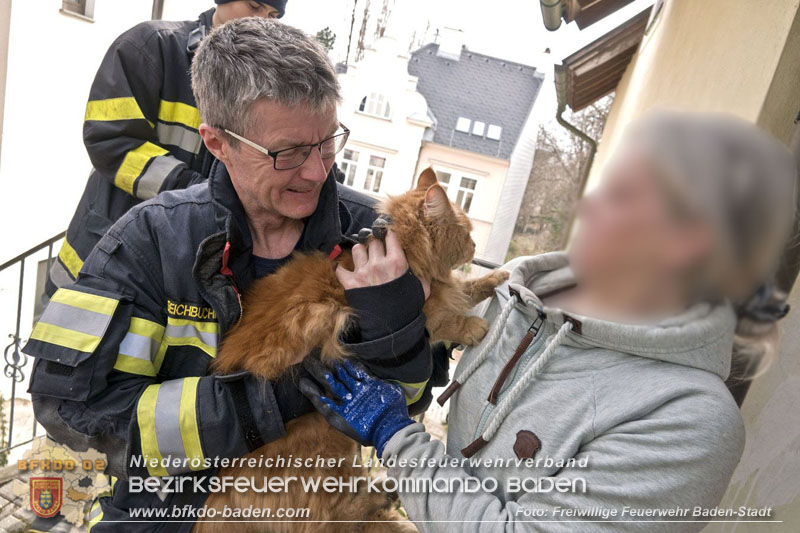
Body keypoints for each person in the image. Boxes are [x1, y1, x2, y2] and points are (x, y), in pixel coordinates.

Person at [24, 19, 432, 531]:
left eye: (328, 142)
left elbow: (411, 401)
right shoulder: (150, 240)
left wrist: (396, 331)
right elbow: (74, 412)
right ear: (217, 143)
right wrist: (261, 404)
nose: (318, 171)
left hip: (317, 511)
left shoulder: (372, 234)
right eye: (289, 153)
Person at [303, 111, 798, 532]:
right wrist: (389, 309)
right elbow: (426, 339)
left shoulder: (690, 423)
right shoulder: (520, 295)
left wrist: (395, 436)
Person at [46, 1, 289, 296]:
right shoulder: (150, 47)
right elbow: (111, 142)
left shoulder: (264, 84)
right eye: (254, 6)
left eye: (274, 15)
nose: (263, 20)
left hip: (181, 274)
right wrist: (198, 192)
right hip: (103, 257)